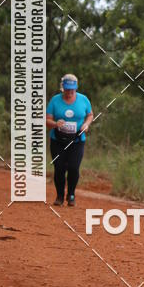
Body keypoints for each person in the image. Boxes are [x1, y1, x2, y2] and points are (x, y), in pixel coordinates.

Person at [46, 74, 93, 207]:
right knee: (59, 167)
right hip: (58, 140)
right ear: (62, 88)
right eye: (67, 89)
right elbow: (47, 120)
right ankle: (60, 196)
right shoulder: (55, 101)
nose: (69, 92)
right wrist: (55, 124)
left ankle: (71, 195)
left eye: (72, 90)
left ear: (76, 88)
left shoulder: (83, 100)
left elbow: (90, 114)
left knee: (73, 167)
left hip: (77, 140)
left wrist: (86, 124)